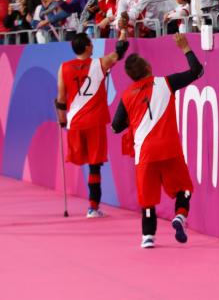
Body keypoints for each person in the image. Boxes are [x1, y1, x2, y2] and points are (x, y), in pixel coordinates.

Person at [111, 33, 203, 248]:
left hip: (145, 152)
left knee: (148, 198)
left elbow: (116, 126)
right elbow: (197, 71)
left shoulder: (127, 96)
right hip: (169, 148)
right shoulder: (166, 83)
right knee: (184, 188)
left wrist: (133, 119)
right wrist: (186, 48)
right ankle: (180, 215)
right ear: (148, 68)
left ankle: (147, 237)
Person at [55, 32, 129, 218]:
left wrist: (62, 120)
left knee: (86, 162)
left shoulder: (63, 68)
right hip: (94, 121)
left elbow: (61, 99)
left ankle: (93, 207)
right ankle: (93, 207)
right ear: (87, 47)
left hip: (75, 122)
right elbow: (119, 52)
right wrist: (122, 34)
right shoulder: (99, 63)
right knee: (95, 166)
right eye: (90, 43)